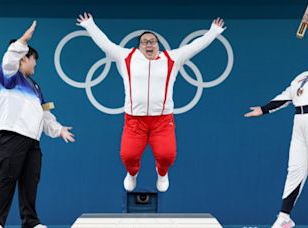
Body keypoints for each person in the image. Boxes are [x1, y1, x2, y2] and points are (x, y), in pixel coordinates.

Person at [76, 13, 225, 192]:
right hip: (134, 120)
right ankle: (132, 174)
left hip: (162, 120)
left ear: (158, 45)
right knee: (128, 156)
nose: (149, 44)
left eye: (153, 41)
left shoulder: (172, 59)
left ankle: (162, 173)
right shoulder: (126, 57)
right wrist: (90, 25)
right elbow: (105, 44)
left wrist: (213, 32)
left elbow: (194, 47)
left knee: (167, 156)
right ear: (139, 46)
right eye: (145, 41)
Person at [244, 12, 308, 228]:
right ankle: (284, 217)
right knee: (294, 171)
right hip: (301, 125)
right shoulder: (303, 76)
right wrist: (264, 109)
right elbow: (287, 95)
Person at [0, 21, 75, 228]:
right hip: (10, 135)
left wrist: (58, 129)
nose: (35, 65)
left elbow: (44, 113)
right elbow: (9, 60)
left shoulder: (35, 86)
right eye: (33, 60)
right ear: (23, 58)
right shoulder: (7, 75)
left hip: (32, 140)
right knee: (7, 178)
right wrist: (23, 41)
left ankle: (30, 222)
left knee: (29, 182)